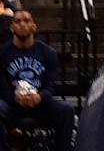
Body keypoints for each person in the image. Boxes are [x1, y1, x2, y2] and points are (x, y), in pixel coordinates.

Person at [0, 11, 75, 151]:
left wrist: (40, 97)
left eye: (26, 20)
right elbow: (2, 86)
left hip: (39, 103)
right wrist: (14, 98)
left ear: (34, 26)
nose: (22, 24)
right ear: (11, 28)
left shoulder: (48, 53)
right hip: (12, 104)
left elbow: (51, 85)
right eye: (17, 21)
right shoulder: (3, 52)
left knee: (66, 110)